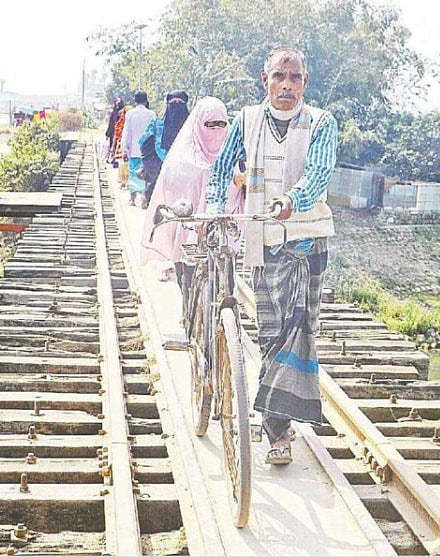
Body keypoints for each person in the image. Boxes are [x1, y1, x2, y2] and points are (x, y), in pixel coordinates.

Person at [204, 46, 338, 465]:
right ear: (266, 80)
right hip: (262, 243)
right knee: (269, 333)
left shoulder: (321, 123)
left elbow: (318, 172)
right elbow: (223, 168)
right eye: (279, 76)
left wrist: (293, 199)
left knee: (299, 330)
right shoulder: (245, 120)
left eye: (295, 78)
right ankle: (276, 420)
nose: (287, 85)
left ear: (304, 83)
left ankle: (276, 430)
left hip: (308, 241)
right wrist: (213, 205)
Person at [140, 96, 242, 281]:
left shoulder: (233, 156)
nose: (217, 130)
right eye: (210, 125)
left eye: (222, 124)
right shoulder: (181, 159)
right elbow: (170, 185)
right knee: (187, 278)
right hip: (188, 228)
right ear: (198, 124)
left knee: (227, 281)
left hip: (223, 230)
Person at [137, 90, 190, 208]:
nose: (176, 105)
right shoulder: (157, 125)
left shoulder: (192, 128)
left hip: (185, 169)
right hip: (159, 169)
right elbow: (144, 145)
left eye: (180, 102)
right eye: (173, 102)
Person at [122, 90, 157, 205]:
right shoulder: (152, 114)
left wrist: (124, 150)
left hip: (134, 150)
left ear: (135, 101)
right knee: (147, 175)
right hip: (148, 151)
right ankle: (144, 199)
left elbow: (126, 132)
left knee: (133, 173)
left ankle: (132, 199)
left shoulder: (130, 114)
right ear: (146, 100)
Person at [105, 97, 125, 161]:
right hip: (113, 132)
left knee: (119, 146)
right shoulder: (113, 112)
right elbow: (111, 123)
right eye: (116, 101)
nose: (118, 103)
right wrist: (108, 133)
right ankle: (112, 158)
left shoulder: (124, 112)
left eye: (119, 101)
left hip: (121, 132)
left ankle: (116, 159)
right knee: (112, 145)